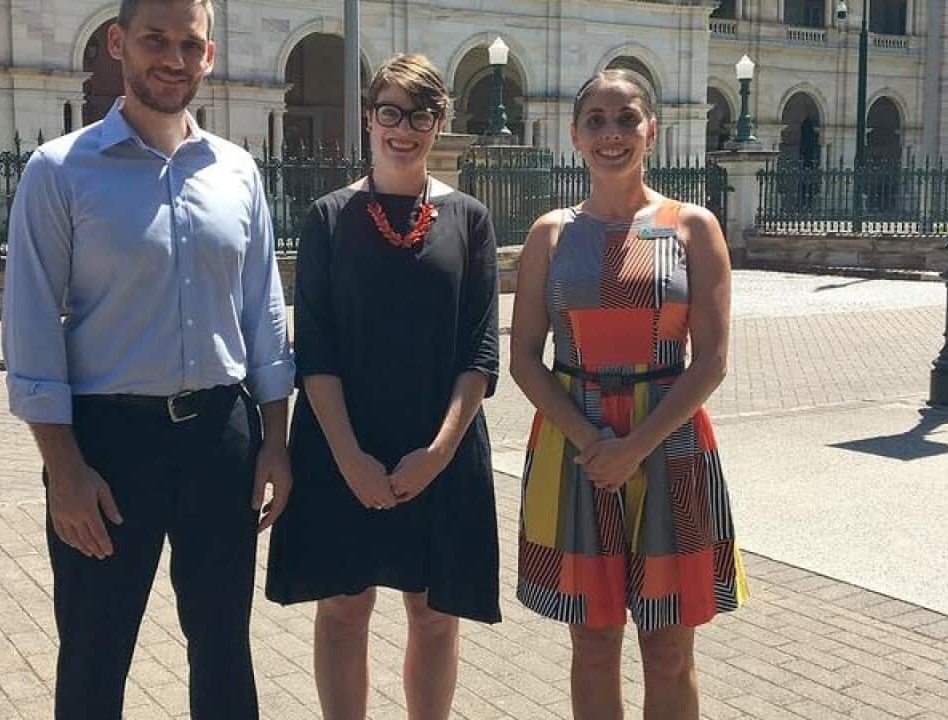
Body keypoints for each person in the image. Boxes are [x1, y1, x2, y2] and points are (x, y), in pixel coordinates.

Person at [0, 0, 294, 717]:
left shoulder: (237, 172)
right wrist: (64, 469)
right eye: (154, 40)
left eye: (190, 45)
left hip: (221, 438)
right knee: (95, 654)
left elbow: (264, 313)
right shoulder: (60, 171)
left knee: (224, 648)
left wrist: (276, 441)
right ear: (117, 42)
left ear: (210, 55)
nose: (172, 59)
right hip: (107, 449)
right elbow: (31, 327)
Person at [265, 53, 501, 720]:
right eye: (391, 112)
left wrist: (438, 454)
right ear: (369, 117)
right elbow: (315, 349)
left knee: (433, 614)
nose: (405, 129)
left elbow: (479, 352)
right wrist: (348, 458)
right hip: (344, 440)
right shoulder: (328, 216)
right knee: (344, 608)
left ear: (440, 122)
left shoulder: (470, 220)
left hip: (438, 445)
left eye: (421, 115)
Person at [509, 69, 749, 720]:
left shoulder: (693, 227)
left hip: (669, 441)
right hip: (575, 444)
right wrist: (596, 444)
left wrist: (634, 446)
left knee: (668, 645)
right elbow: (525, 359)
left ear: (652, 130)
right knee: (592, 641)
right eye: (596, 120)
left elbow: (712, 362)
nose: (611, 133)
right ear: (575, 135)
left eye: (626, 118)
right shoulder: (550, 235)